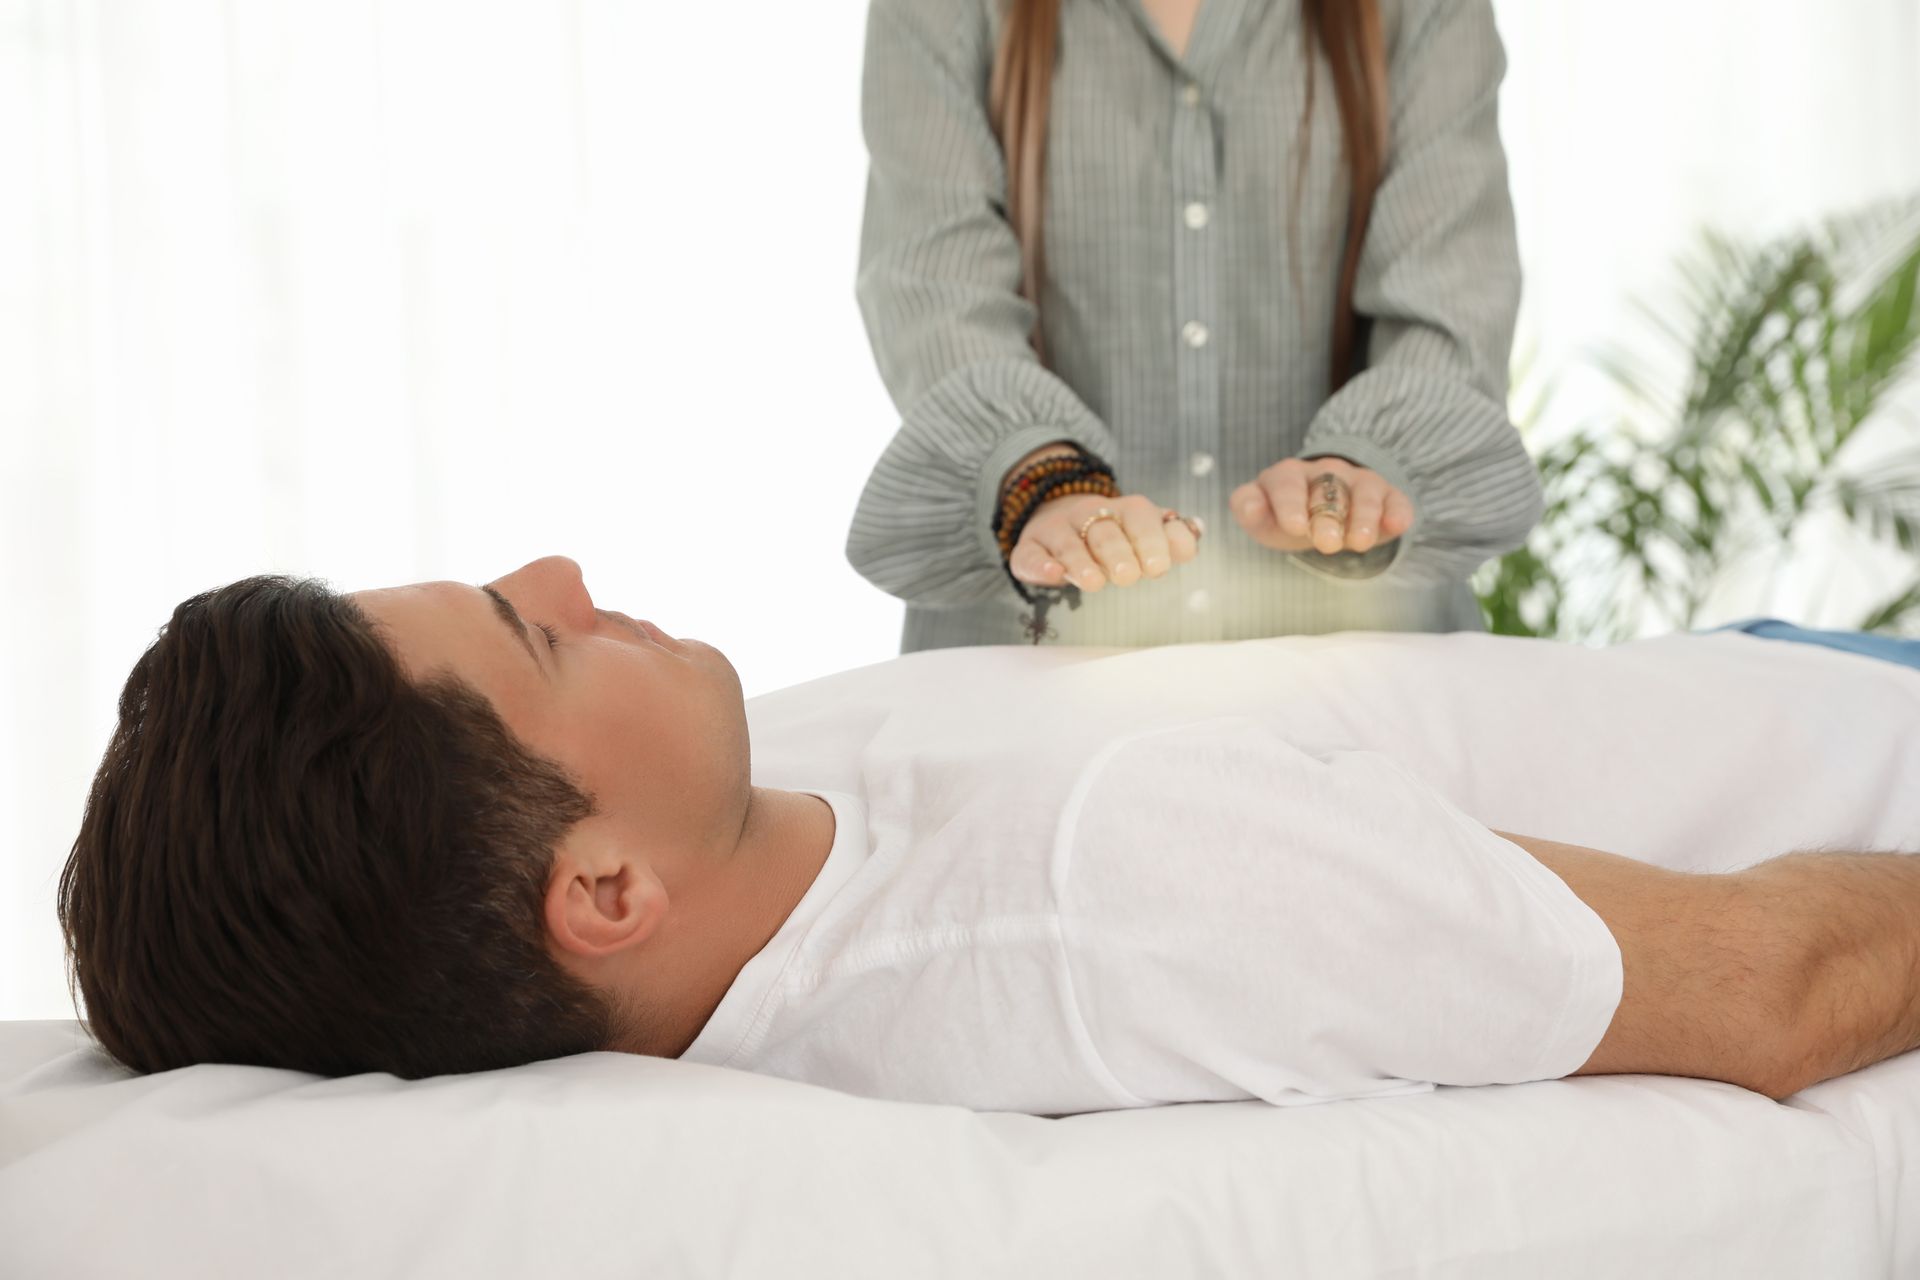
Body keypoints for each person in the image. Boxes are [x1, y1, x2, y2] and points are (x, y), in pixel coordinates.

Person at [58, 557, 1920, 1113]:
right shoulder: (1110, 890)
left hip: (1740, 664)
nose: (564, 571)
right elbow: (1776, 988)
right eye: (532, 635)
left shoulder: (748, 820)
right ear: (603, 890)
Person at [848, 0, 1541, 649]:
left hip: (1364, 686)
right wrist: (1044, 480)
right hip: (1034, 684)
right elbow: (932, 281)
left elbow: (1453, 284)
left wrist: (1368, 471)